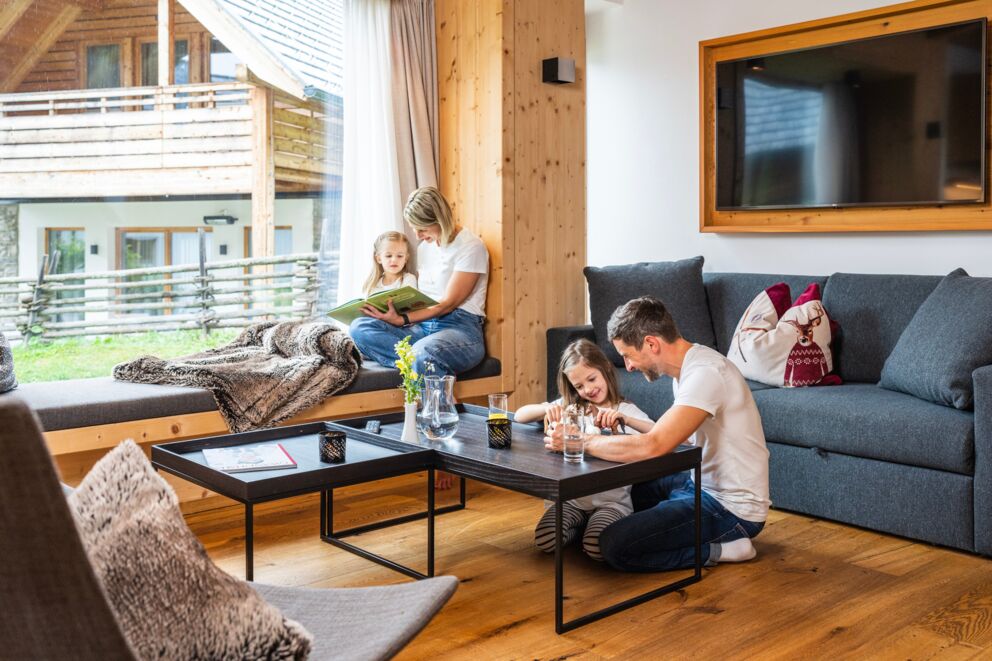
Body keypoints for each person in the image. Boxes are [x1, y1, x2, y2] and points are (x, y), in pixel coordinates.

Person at [545, 296, 770, 571]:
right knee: (618, 491)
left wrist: (578, 441)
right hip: (696, 484)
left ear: (651, 343)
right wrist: (626, 420)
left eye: (627, 355)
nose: (628, 366)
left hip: (731, 508)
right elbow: (683, 438)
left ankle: (722, 548)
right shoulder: (687, 370)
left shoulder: (706, 374)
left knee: (615, 545)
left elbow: (654, 446)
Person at [516, 339, 654, 560]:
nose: (588, 389)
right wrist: (550, 408)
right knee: (545, 540)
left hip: (612, 502)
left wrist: (626, 419)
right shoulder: (572, 408)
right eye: (579, 386)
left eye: (592, 379)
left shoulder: (623, 410)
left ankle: (590, 527)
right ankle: (580, 524)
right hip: (572, 499)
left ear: (606, 369)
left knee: (596, 548)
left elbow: (658, 432)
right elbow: (520, 415)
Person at [350, 186, 488, 378]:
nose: (417, 235)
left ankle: (420, 366)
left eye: (422, 228)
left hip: (459, 328)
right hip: (423, 327)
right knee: (359, 327)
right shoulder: (426, 248)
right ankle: (417, 365)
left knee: (423, 351)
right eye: (414, 228)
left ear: (440, 220)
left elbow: (447, 305)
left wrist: (402, 320)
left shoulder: (471, 247)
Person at [363, 231, 417, 296]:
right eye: (388, 256)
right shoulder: (373, 285)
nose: (394, 260)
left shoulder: (408, 279)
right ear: (379, 259)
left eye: (400, 256)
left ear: (406, 259)